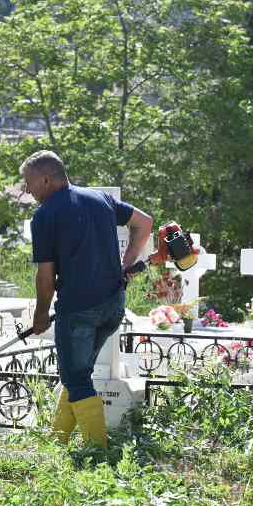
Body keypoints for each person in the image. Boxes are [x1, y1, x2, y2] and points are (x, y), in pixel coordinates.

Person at [21, 150, 153, 447]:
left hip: (78, 310)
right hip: (112, 306)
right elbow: (145, 223)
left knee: (77, 378)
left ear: (46, 178)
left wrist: (40, 315)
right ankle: (58, 442)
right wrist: (126, 264)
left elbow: (45, 276)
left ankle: (98, 451)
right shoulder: (100, 199)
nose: (28, 191)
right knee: (77, 373)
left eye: (29, 184)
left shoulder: (45, 215)